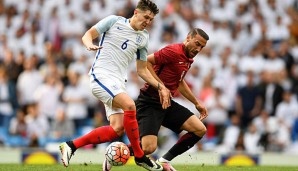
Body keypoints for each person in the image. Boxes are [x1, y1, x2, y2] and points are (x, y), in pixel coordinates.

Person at [59, 0, 171, 170]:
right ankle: (140, 156)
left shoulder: (144, 37)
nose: (148, 22)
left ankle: (70, 145)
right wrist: (89, 44)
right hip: (101, 76)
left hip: (118, 83)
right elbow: (87, 34)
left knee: (117, 129)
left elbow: (142, 70)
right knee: (130, 105)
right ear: (135, 12)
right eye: (146, 17)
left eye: (151, 20)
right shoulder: (114, 21)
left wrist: (161, 87)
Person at [109, 28, 209, 171]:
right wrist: (161, 87)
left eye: (202, 47)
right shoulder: (173, 51)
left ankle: (165, 160)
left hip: (166, 103)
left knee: (199, 129)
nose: (198, 49)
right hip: (149, 102)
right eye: (197, 43)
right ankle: (113, 155)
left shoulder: (188, 58)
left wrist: (196, 102)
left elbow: (179, 82)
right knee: (148, 148)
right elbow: (147, 62)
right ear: (188, 38)